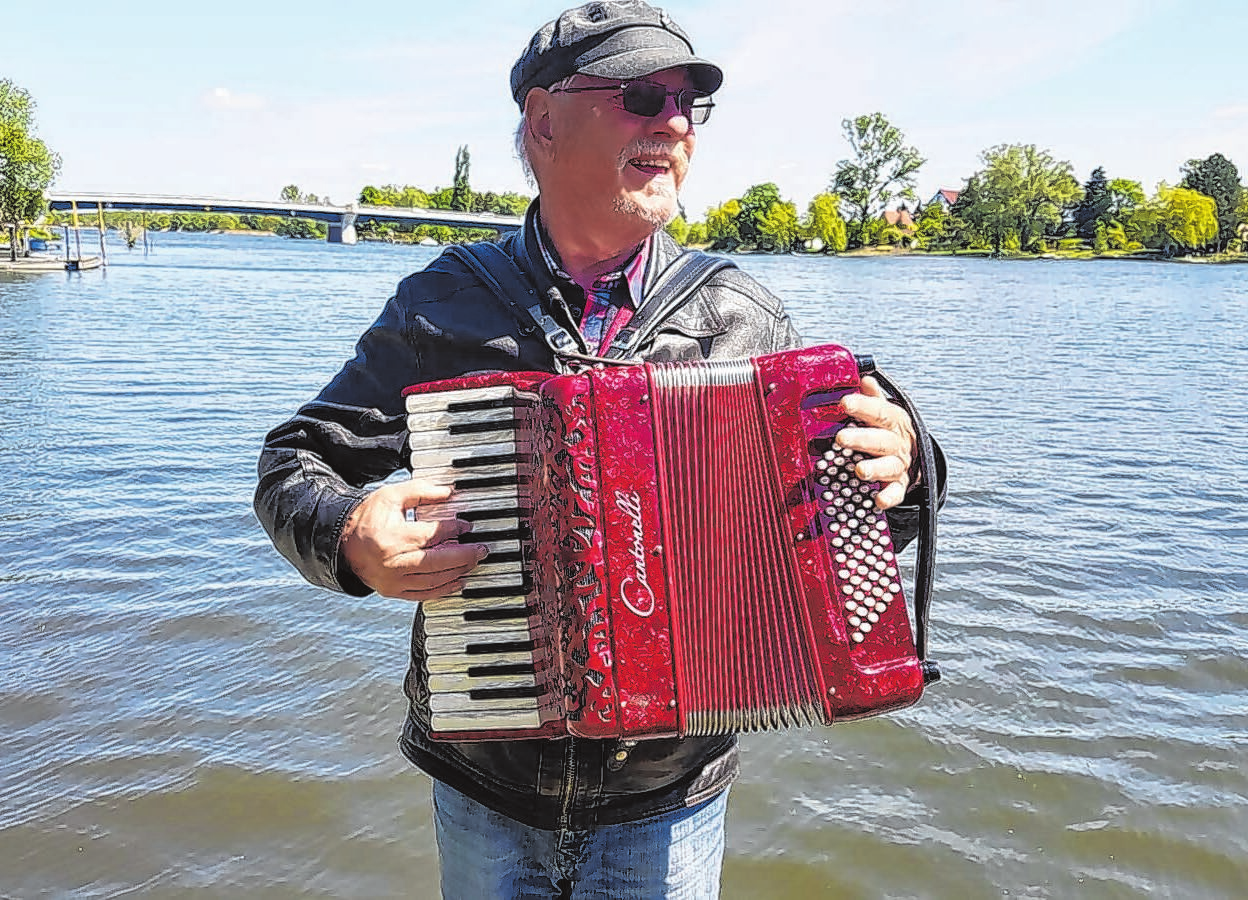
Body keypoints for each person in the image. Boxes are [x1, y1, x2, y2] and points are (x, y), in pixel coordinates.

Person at [255, 2, 945, 897]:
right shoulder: (444, 304)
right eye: (642, 95)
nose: (674, 122)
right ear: (543, 121)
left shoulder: (741, 317)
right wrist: (352, 531)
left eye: (690, 103)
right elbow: (295, 462)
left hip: (670, 796)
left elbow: (828, 542)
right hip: (484, 785)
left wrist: (906, 470)